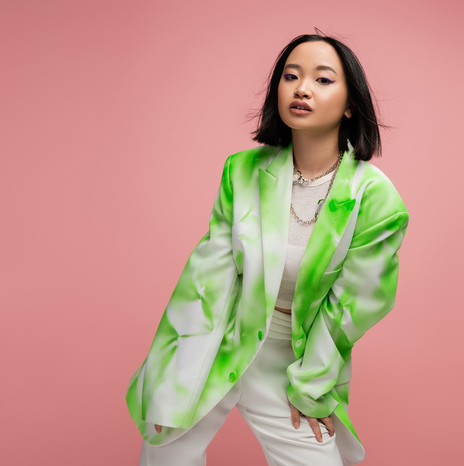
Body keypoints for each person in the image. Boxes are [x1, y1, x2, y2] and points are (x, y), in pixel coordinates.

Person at [126, 31, 409, 466]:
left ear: (351, 103)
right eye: (290, 76)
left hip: (292, 357)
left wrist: (311, 385)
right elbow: (207, 277)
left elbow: (353, 306)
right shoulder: (242, 171)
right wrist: (176, 370)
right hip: (219, 339)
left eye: (323, 80)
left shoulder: (377, 199)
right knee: (164, 453)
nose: (301, 88)